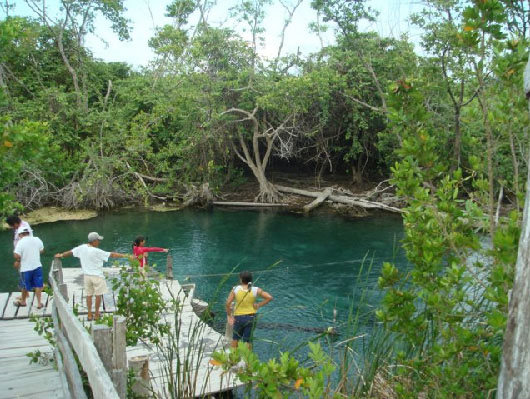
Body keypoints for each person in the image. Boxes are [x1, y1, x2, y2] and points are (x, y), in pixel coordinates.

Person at [55, 232, 129, 321]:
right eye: (98, 240)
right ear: (94, 241)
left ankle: (89, 314)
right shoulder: (96, 251)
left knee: (89, 295)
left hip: (87, 276)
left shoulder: (81, 248)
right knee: (98, 295)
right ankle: (97, 314)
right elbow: (112, 254)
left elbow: (71, 252)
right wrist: (126, 256)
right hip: (97, 276)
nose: (99, 242)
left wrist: (61, 255)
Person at [225, 271, 273, 349]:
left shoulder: (235, 289)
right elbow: (269, 297)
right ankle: (247, 360)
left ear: (241, 279)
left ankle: (232, 359)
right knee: (247, 340)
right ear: (251, 279)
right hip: (251, 317)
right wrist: (258, 305)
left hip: (238, 318)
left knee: (235, 338)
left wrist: (229, 316)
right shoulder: (255, 289)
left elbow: (228, 303)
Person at [13, 228, 44, 307]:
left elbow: (16, 255)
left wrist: (19, 260)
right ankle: (39, 303)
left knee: (24, 285)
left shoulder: (21, 242)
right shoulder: (37, 239)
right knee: (38, 285)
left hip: (26, 268)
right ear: (29, 233)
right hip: (37, 266)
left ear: (20, 234)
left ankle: (23, 302)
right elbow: (42, 250)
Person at [6, 215, 34, 301]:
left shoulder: (22, 231)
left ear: (15, 223)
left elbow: (25, 246)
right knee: (25, 276)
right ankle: (26, 294)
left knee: (24, 277)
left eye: (11, 225)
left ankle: (24, 298)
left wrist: (18, 260)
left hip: (24, 257)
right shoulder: (24, 224)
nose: (11, 227)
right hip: (26, 256)